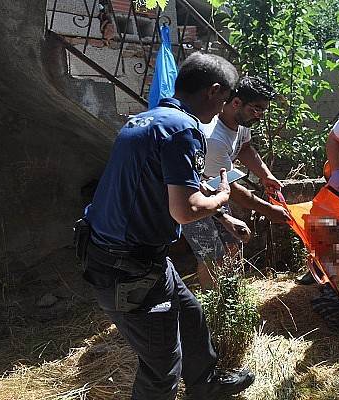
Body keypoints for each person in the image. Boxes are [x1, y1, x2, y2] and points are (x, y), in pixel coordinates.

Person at [78, 53, 254, 400]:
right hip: (127, 266)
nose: (222, 110)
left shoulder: (147, 120)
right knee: (162, 365)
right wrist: (223, 196)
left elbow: (172, 186)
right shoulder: (183, 131)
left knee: (190, 317)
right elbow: (186, 210)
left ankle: (205, 387)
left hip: (132, 256)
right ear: (214, 91)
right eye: (224, 100)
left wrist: (224, 216)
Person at [182, 76, 290, 288]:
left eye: (263, 111)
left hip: (216, 193)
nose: (259, 116)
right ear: (236, 102)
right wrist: (269, 210)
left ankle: (230, 293)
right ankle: (213, 308)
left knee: (233, 243)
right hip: (193, 197)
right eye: (256, 109)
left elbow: (246, 148)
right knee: (212, 256)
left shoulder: (241, 121)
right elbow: (230, 188)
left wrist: (265, 174)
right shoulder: (214, 138)